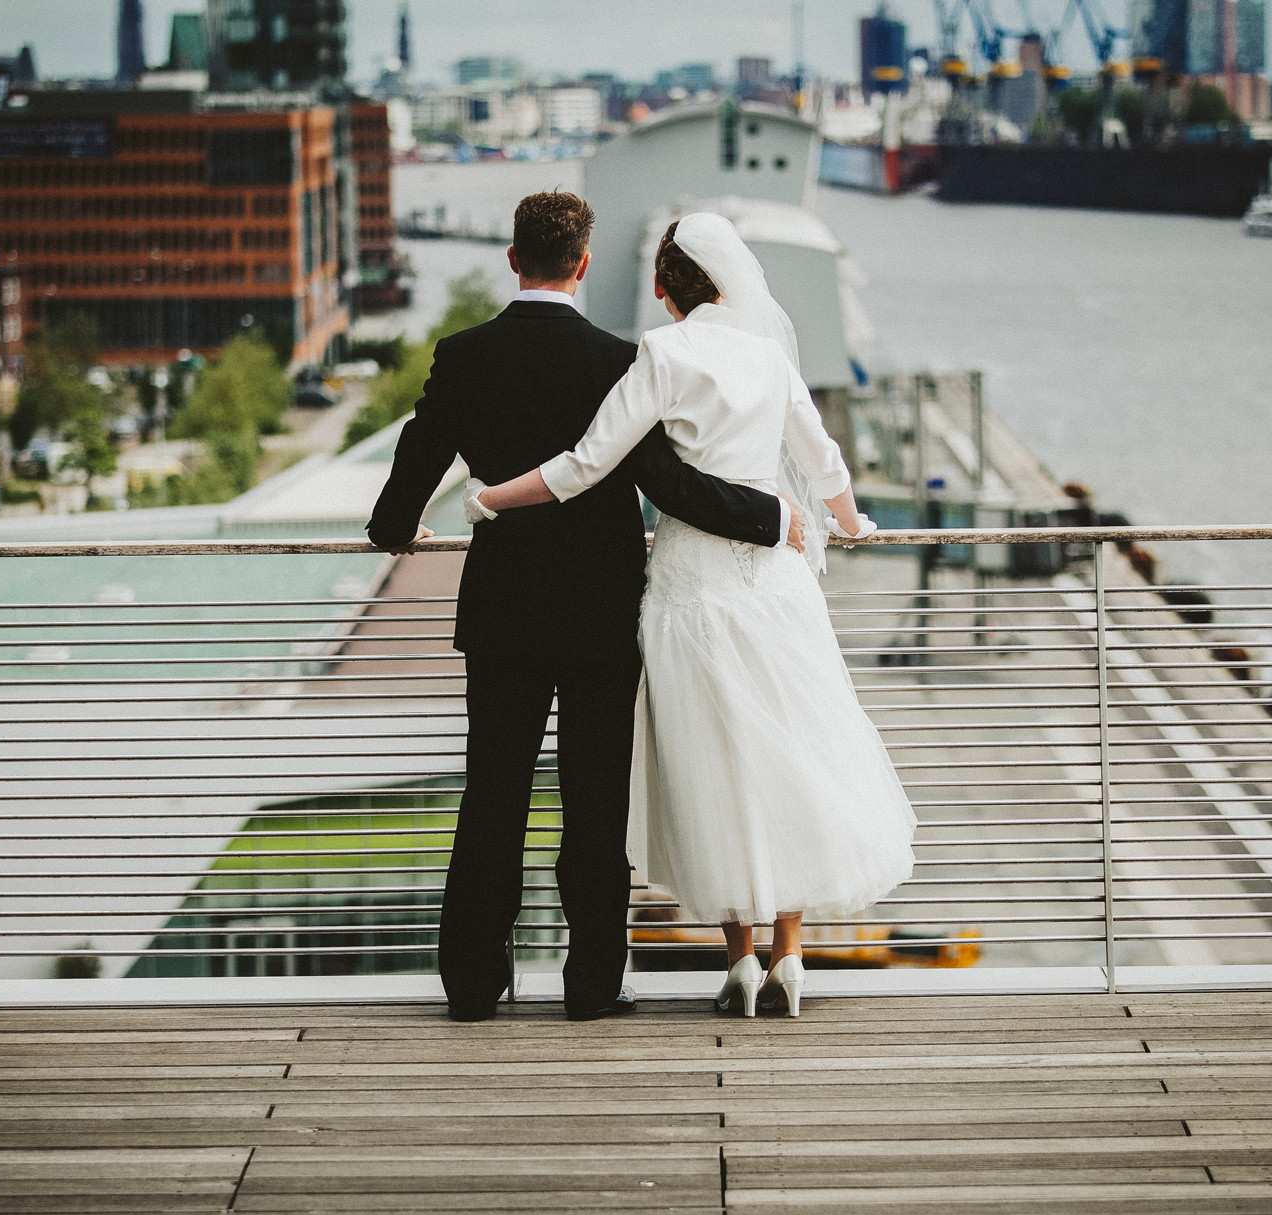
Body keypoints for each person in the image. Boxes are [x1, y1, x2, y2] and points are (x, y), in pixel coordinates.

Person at [465, 212, 916, 1018]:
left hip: (687, 587)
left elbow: (585, 464)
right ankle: (788, 955)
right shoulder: (770, 356)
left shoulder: (661, 353)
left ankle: (738, 958)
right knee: (788, 750)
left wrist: (490, 498)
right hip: (773, 586)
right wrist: (851, 526)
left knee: (719, 760)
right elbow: (822, 463)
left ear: (661, 287)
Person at [367, 192, 804, 1024]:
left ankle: (470, 984)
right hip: (602, 609)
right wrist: (773, 518)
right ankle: (594, 983)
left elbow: (420, 446)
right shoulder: (617, 359)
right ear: (583, 264)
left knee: (492, 791)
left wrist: (395, 525)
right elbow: (665, 483)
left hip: (501, 610)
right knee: (593, 799)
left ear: (511, 257)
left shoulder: (464, 353)